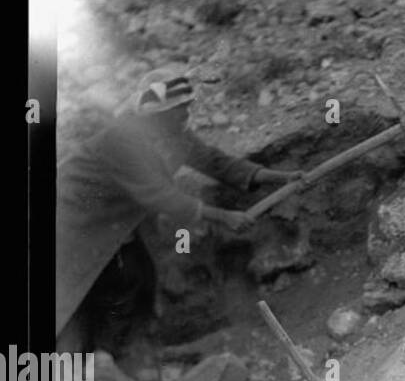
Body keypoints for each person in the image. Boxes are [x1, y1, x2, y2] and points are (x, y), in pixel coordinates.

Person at [56, 65, 304, 356]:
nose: (187, 113)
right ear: (158, 113)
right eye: (180, 108)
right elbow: (160, 196)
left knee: (136, 279)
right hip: (69, 220)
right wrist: (224, 217)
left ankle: (115, 355)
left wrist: (278, 176)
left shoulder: (175, 135)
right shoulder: (122, 139)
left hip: (113, 224)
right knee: (69, 291)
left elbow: (216, 162)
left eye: (188, 105)